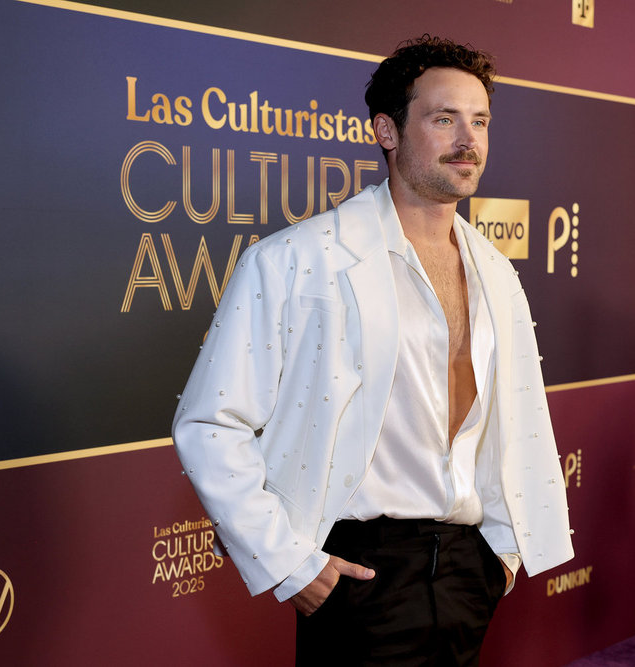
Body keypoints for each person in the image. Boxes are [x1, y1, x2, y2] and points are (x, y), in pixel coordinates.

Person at [173, 35, 573, 665]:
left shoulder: (497, 273)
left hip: (469, 570)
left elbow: (510, 422)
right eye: (443, 119)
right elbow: (208, 422)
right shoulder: (297, 260)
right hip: (363, 574)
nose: (468, 140)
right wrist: (287, 561)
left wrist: (501, 556)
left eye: (480, 121)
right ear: (387, 131)